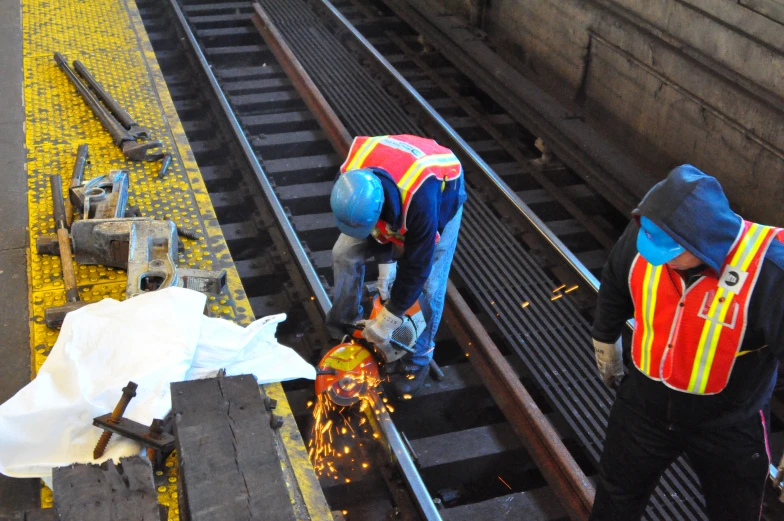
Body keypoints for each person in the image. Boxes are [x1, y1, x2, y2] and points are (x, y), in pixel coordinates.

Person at [591, 165, 783, 520]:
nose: (653, 258)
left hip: (728, 421)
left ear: (703, 244)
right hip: (644, 406)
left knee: (735, 512)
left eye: (669, 254)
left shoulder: (768, 272)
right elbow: (616, 281)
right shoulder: (646, 236)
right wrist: (605, 338)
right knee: (615, 498)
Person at [325, 134, 466, 398]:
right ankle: (345, 323)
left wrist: (390, 318)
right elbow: (375, 230)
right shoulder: (348, 181)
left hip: (443, 187)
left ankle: (417, 360)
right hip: (396, 182)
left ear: (381, 209)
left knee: (429, 286)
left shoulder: (421, 205)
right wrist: (385, 266)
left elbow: (417, 266)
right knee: (344, 252)